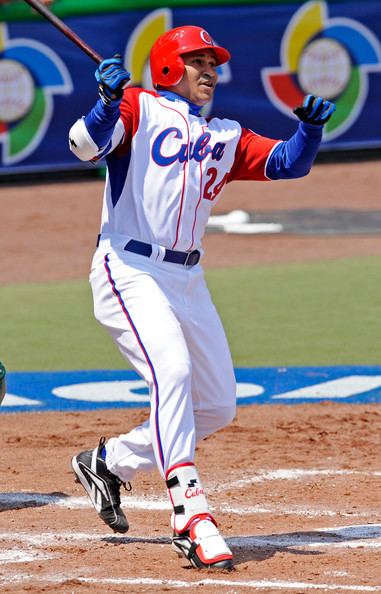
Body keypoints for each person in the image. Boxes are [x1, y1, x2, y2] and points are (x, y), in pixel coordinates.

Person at [69, 25, 335, 571]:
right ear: (168, 66)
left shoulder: (225, 135)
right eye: (196, 61)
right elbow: (83, 145)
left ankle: (109, 461)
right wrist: (106, 101)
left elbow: (289, 162)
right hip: (129, 267)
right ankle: (190, 515)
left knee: (216, 403)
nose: (209, 70)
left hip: (188, 280)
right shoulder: (137, 108)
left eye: (213, 62)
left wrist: (307, 132)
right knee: (172, 371)